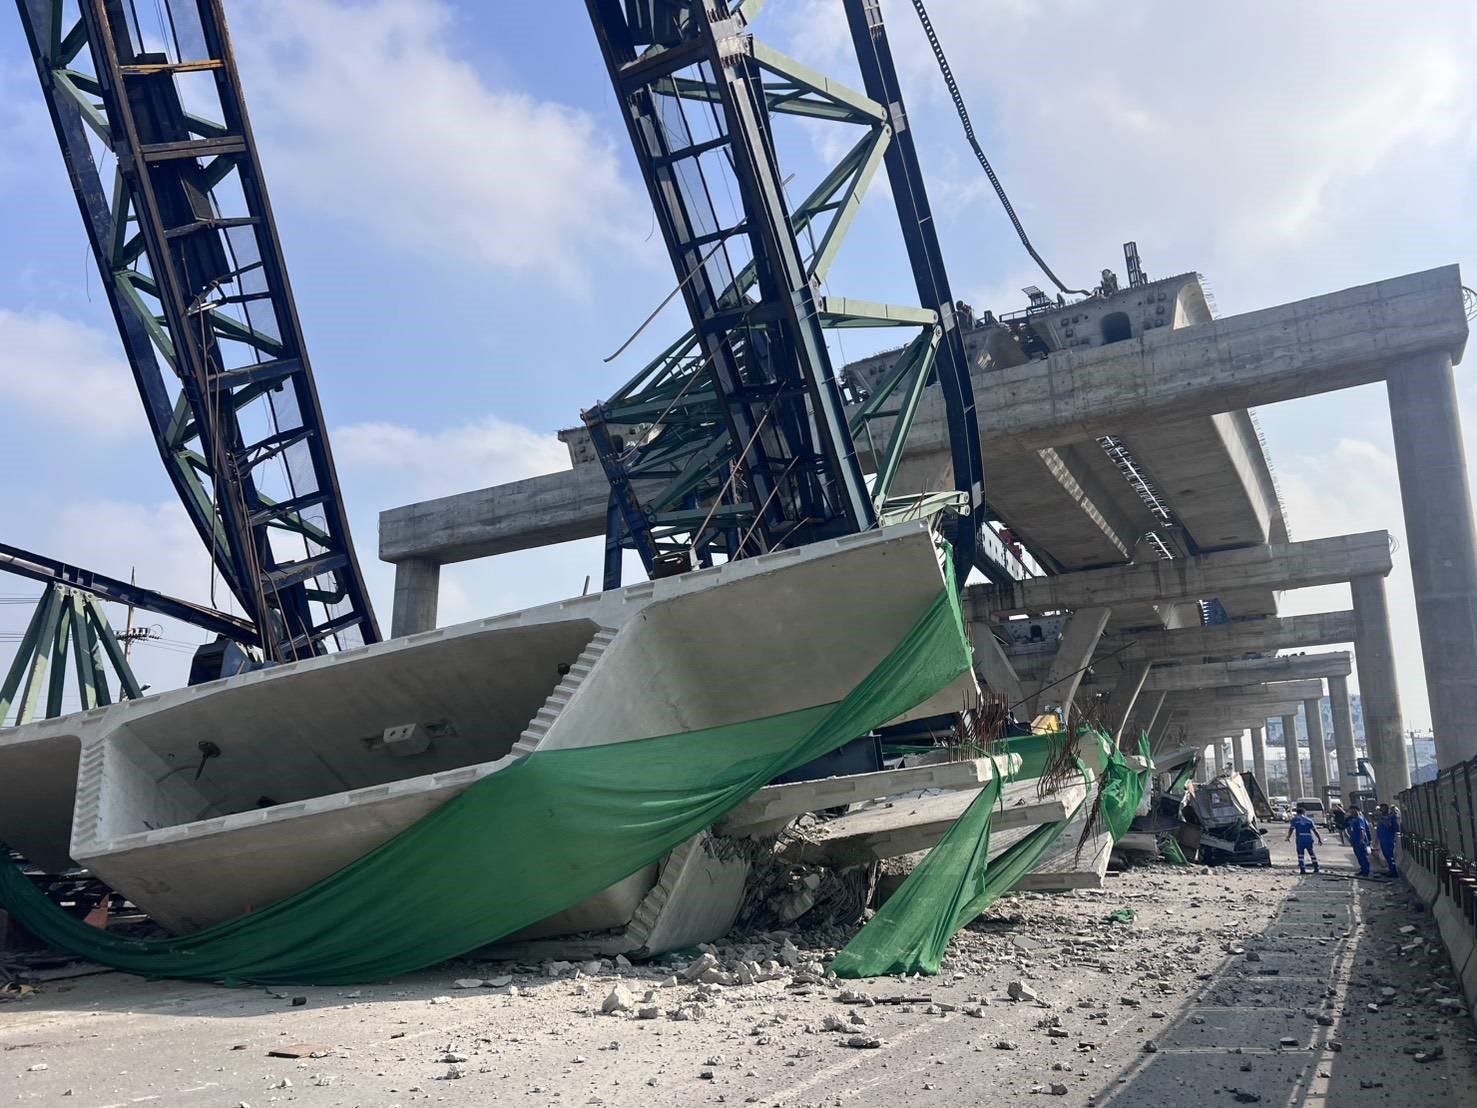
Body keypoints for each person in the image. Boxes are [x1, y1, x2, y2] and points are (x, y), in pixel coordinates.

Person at [1286, 804, 1322, 874]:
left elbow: (1291, 829)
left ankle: (1302, 869)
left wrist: (1288, 837)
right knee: (1312, 853)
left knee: (1300, 855)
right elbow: (1315, 831)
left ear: (1297, 813)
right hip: (1309, 838)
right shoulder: (1309, 820)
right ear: (1304, 813)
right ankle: (1316, 868)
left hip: (1300, 839)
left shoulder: (1295, 820)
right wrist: (1319, 839)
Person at [1346, 805, 1373, 877]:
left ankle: (1366, 871)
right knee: (1359, 856)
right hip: (1355, 841)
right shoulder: (1354, 820)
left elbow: (1362, 830)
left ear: (1356, 810)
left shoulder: (1359, 819)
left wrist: (1362, 840)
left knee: (1363, 856)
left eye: (1352, 811)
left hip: (1360, 841)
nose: (1351, 813)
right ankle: (1363, 869)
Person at [1376, 803, 1401, 878]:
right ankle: (1391, 870)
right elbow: (1378, 830)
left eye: (1382, 809)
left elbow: (1389, 826)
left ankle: (1394, 873)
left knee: (1390, 856)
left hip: (1388, 840)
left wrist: (1384, 819)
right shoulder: (1381, 818)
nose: (1381, 810)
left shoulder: (1390, 817)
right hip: (1383, 840)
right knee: (1387, 856)